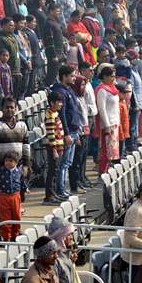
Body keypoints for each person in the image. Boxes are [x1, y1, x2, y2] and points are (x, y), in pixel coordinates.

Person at [51, 65, 83, 198]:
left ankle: (64, 188)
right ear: (64, 77)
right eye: (72, 75)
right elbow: (62, 114)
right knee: (65, 163)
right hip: (68, 131)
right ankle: (61, 189)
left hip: (74, 130)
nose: (74, 78)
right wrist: (67, 133)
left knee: (68, 162)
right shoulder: (60, 92)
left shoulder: (69, 90)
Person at [47, 217, 84, 283]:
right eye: (69, 234)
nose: (72, 237)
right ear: (60, 237)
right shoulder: (54, 261)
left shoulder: (66, 257)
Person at [0, 151, 27, 241]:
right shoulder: (1, 170)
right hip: (3, 196)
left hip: (15, 196)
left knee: (16, 215)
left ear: (16, 163)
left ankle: (15, 235)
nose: (8, 163)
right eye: (6, 161)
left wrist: (25, 188)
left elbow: (21, 181)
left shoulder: (19, 171)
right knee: (5, 217)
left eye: (11, 161)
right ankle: (6, 237)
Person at [94, 65, 120, 173]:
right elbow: (102, 109)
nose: (113, 79)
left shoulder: (112, 88)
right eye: (111, 76)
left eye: (114, 76)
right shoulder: (102, 90)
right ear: (104, 77)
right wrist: (107, 125)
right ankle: (102, 172)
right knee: (106, 151)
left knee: (112, 152)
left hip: (115, 123)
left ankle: (107, 170)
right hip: (107, 125)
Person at [44, 91, 64, 205]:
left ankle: (54, 193)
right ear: (52, 103)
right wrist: (54, 150)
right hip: (54, 148)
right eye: (58, 102)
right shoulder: (50, 115)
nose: (61, 104)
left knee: (56, 171)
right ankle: (49, 196)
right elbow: (51, 134)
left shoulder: (55, 113)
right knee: (52, 171)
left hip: (59, 146)